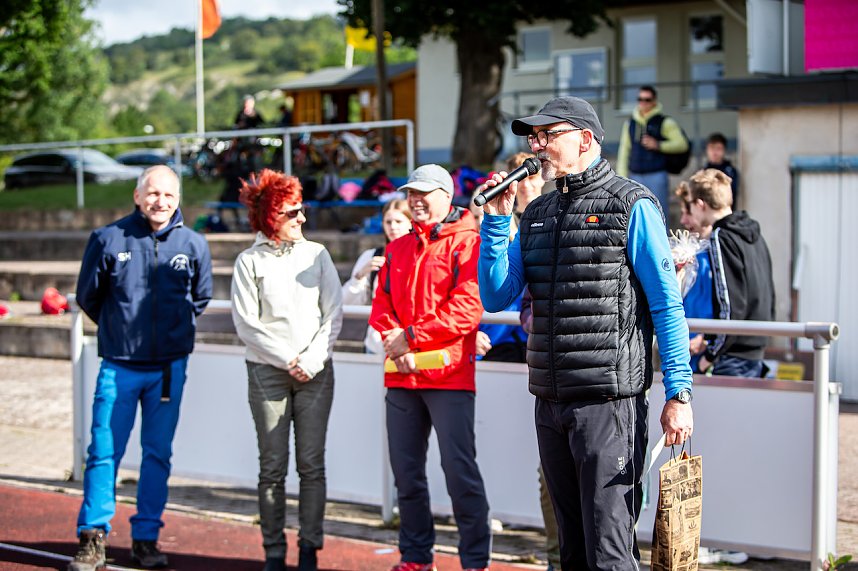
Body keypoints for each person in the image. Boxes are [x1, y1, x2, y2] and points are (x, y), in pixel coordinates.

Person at [478, 95, 694, 570]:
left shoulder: (631, 203)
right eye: (535, 137)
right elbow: (495, 296)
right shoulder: (535, 214)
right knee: (571, 551)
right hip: (550, 400)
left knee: (609, 551)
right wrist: (497, 220)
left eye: (549, 135)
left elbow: (665, 303)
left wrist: (679, 393)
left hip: (608, 402)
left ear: (586, 138)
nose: (539, 146)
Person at [70, 165, 213, 571]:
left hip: (168, 369)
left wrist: (167, 333)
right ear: (137, 195)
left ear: (178, 198)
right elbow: (89, 297)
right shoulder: (107, 238)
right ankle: (92, 537)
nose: (160, 202)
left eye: (169, 195)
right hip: (119, 367)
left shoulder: (194, 244)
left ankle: (145, 538)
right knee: (102, 453)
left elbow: (200, 298)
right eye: (153, 194)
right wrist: (121, 331)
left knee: (157, 455)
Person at [369, 164, 491, 571]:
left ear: (446, 195)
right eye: (411, 193)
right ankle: (416, 557)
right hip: (401, 375)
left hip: (449, 376)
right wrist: (395, 341)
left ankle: (475, 561)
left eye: (424, 193)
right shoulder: (397, 246)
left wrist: (411, 338)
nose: (416, 200)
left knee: (460, 473)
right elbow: (381, 307)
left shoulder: (467, 242)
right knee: (406, 474)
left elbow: (467, 310)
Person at [230, 169, 343, 571]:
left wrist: (310, 360)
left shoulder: (318, 255)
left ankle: (309, 549)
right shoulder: (248, 261)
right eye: (293, 212)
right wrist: (288, 359)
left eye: (302, 210)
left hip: (316, 372)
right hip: (267, 372)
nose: (302, 219)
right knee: (272, 467)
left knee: (312, 465)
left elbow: (334, 313)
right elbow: (247, 324)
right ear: (271, 216)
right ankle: (274, 553)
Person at [676, 168, 776, 378]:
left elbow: (729, 302)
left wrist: (710, 355)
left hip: (731, 355)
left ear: (700, 204)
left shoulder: (721, 237)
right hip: (754, 348)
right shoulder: (754, 233)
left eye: (691, 205)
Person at [519, 288, 561, 571]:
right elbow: (520, 306)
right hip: (552, 384)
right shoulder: (537, 243)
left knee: (606, 488)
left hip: (611, 388)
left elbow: (666, 306)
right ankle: (556, 561)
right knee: (548, 479)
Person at [341, 199, 412, 353]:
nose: (393, 227)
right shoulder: (371, 256)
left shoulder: (422, 256)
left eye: (399, 221)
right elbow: (346, 303)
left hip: (411, 344)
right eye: (388, 222)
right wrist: (360, 276)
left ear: (411, 222)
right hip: (376, 345)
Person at [616, 85, 689, 213]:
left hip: (657, 175)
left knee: (659, 212)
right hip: (635, 175)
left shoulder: (665, 122)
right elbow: (624, 151)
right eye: (640, 99)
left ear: (654, 101)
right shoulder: (630, 123)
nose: (643, 103)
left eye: (647, 99)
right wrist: (621, 177)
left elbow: (682, 144)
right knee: (635, 212)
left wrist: (659, 145)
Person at [704, 132, 740, 207]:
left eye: (718, 148)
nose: (714, 152)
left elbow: (731, 193)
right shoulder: (702, 172)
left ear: (724, 150)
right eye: (711, 148)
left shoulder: (730, 171)